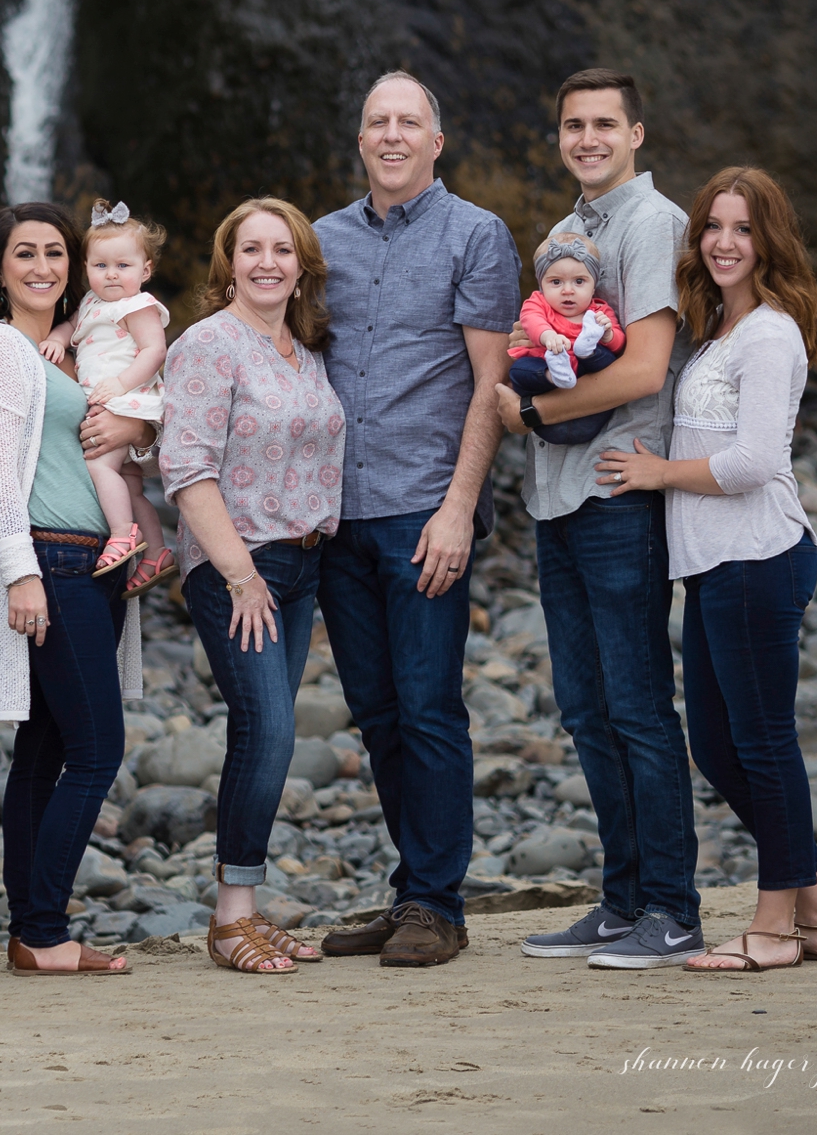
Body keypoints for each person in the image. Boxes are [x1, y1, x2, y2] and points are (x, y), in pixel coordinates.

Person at [593, 168, 817, 972]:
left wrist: (656, 473)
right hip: (714, 565)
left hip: (759, 557)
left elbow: (751, 462)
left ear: (768, 240)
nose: (725, 243)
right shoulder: (719, 333)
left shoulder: (770, 333)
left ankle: (774, 929)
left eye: (743, 229)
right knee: (716, 743)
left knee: (764, 743)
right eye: (713, 227)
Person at [495, 69, 701, 969]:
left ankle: (674, 909)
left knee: (639, 709)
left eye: (604, 125)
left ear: (637, 134)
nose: (588, 138)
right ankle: (621, 903)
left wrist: (531, 415)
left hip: (616, 493)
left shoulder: (655, 226)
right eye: (573, 124)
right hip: (557, 498)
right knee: (585, 710)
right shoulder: (566, 235)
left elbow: (646, 369)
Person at [313, 72, 520, 968]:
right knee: (377, 714)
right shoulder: (314, 243)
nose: (391, 136)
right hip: (333, 520)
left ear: (438, 141)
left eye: (410, 123)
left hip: (422, 515)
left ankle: (438, 903)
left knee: (431, 709)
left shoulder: (477, 236)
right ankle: (412, 889)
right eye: (376, 123)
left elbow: (490, 384)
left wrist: (460, 509)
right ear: (359, 139)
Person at [0, 204, 148, 977]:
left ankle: (33, 928)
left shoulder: (75, 351)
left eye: (56, 254)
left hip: (92, 566)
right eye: (25, 254)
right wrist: (21, 573)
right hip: (54, 564)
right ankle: (42, 929)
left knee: (46, 748)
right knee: (98, 749)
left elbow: (123, 438)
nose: (43, 266)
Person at [161, 197, 346, 975]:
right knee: (268, 727)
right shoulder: (208, 345)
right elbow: (186, 466)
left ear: (301, 264)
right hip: (243, 567)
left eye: (281, 249)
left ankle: (246, 907)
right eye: (250, 249)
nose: (266, 262)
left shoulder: (305, 352)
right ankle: (231, 919)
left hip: (302, 565)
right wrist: (238, 574)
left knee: (267, 731)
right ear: (228, 263)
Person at [39, 199, 171, 591]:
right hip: (108, 401)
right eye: (100, 266)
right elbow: (70, 326)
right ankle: (158, 552)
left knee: (100, 467)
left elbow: (155, 350)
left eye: (123, 266)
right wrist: (55, 340)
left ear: (145, 271)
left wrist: (122, 383)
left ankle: (121, 534)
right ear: (86, 270)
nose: (111, 275)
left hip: (127, 400)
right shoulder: (91, 304)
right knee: (130, 488)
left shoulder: (138, 305)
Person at [505, 232, 627, 443]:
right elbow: (530, 320)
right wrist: (547, 336)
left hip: (585, 376)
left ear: (594, 285)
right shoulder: (539, 303)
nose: (567, 291)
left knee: (607, 357)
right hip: (547, 373)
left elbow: (619, 345)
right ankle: (555, 374)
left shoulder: (598, 311)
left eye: (579, 281)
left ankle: (587, 348)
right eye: (556, 282)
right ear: (541, 285)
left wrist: (608, 336)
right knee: (518, 371)